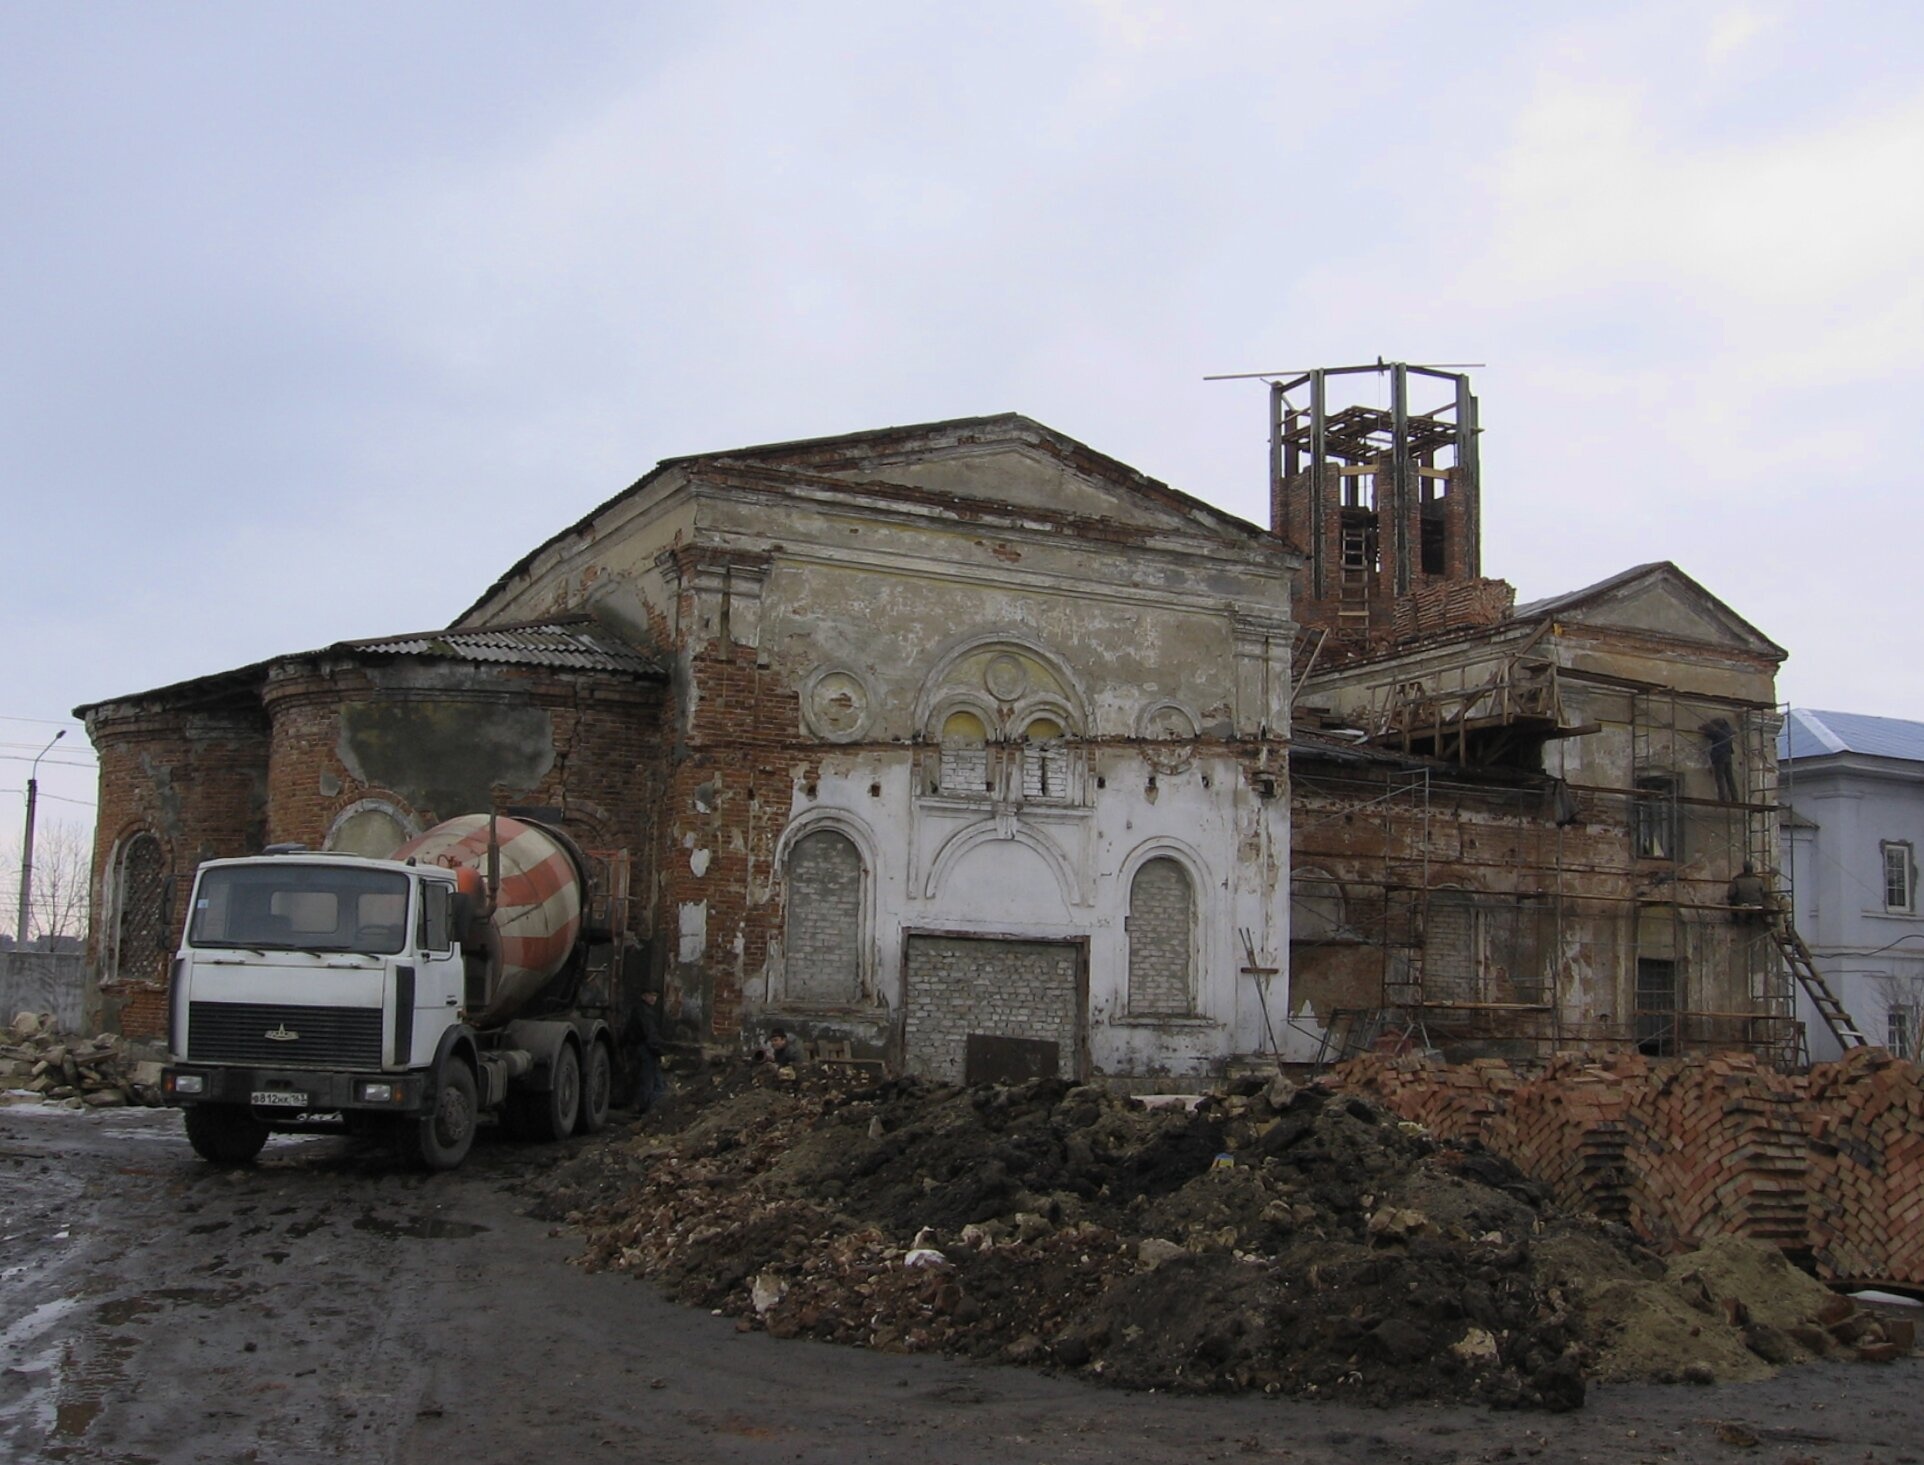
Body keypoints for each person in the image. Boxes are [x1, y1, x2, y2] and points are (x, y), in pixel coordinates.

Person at [1701, 717, 1739, 803]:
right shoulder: (1728, 731)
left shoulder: (1719, 732)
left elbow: (1711, 735)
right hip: (1728, 757)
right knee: (1730, 778)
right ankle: (1735, 797)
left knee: (1720, 777)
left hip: (1719, 757)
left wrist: (1705, 730)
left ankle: (1723, 798)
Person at [1727, 862, 1774, 927]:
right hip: (1757, 904)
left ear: (1744, 869)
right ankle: (1749, 919)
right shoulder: (1759, 880)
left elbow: (1730, 894)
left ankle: (1735, 919)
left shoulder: (1737, 880)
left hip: (1740, 903)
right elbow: (1764, 893)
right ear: (1752, 869)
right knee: (1758, 902)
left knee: (1732, 902)